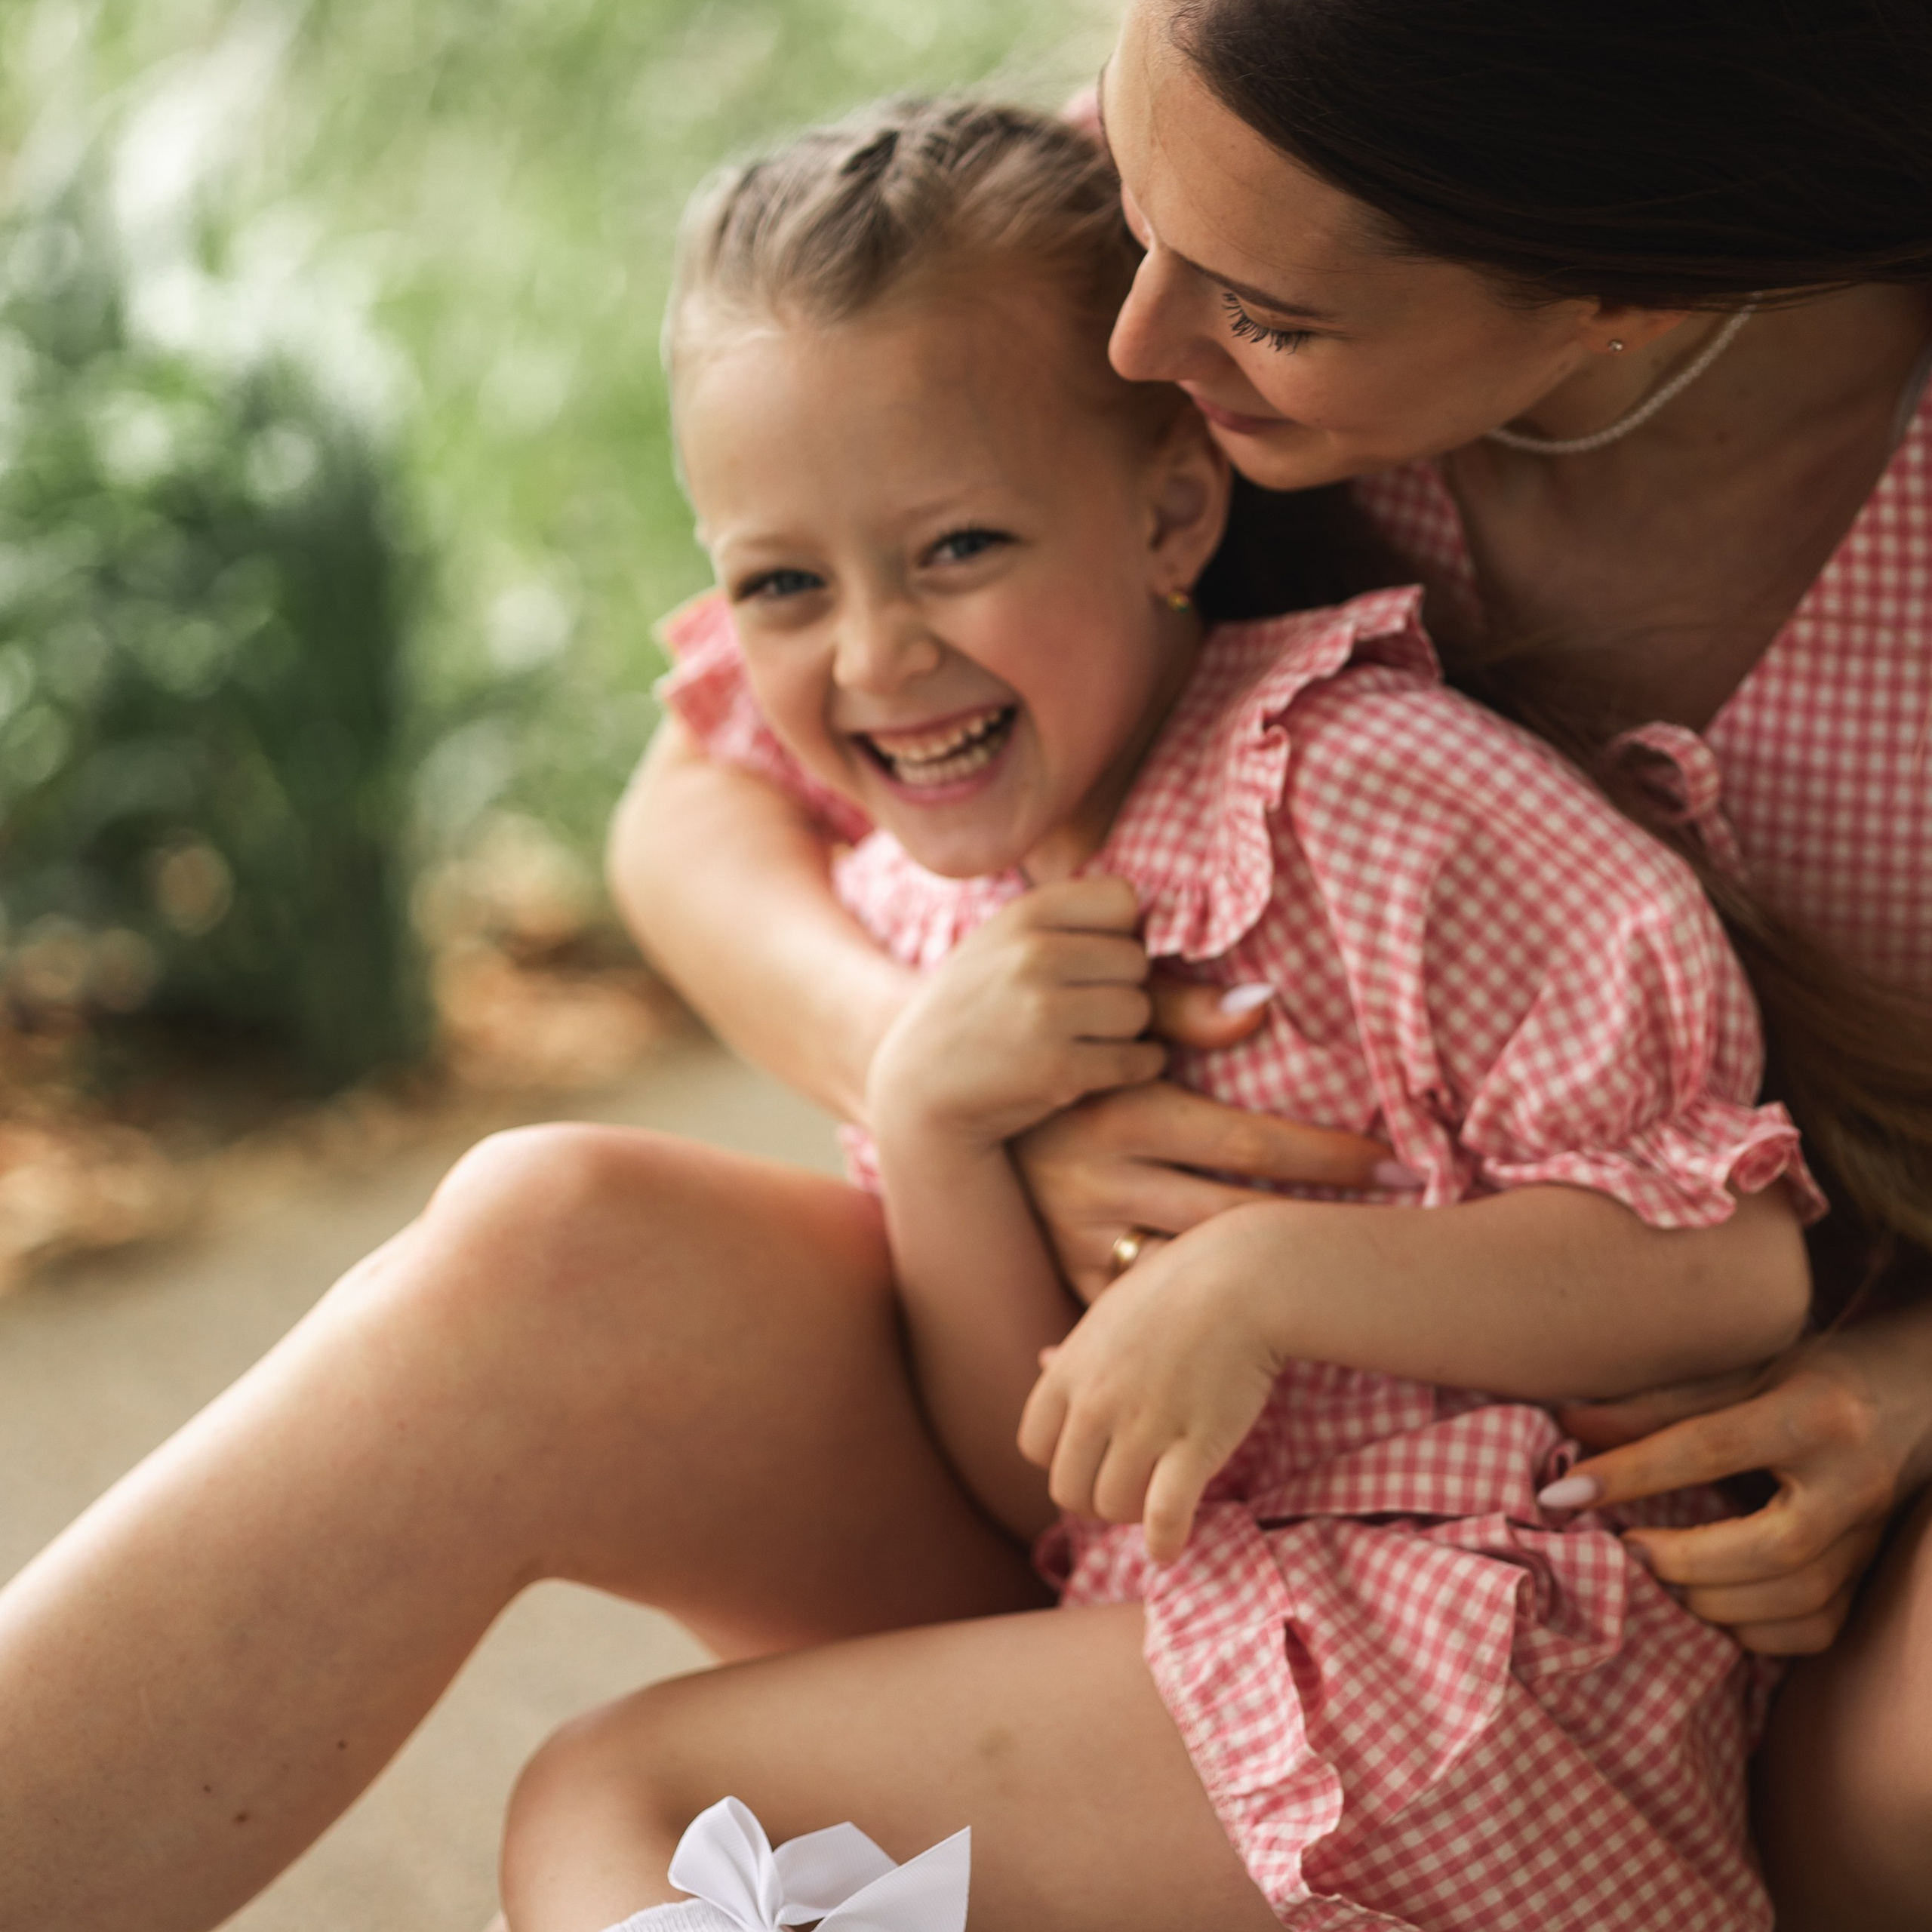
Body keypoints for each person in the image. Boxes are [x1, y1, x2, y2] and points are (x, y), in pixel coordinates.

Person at [0, 3, 1926, 1928]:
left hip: (1690, 1570)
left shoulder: (1415, 684)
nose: (1131, 340)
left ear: (1626, 300)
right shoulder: (1245, 153)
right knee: (546, 1243)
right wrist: (943, 1080)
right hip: (1178, 1505)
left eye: (1259, 316)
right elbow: (697, 804)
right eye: (1144, 208)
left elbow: (1706, 1263)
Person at [499, 96, 1817, 1932]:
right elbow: (1043, 1477)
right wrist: (941, 1124)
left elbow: (1734, 1270)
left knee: (618, 1789)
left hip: (1476, 1668)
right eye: (781, 583)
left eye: (956, 547)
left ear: (1170, 508)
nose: (873, 656)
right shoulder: (937, 914)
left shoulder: (1388, 799)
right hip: (1197, 1636)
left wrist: (1262, 1279)